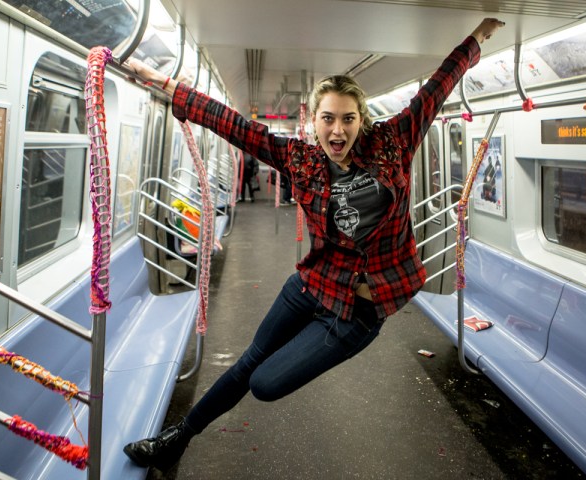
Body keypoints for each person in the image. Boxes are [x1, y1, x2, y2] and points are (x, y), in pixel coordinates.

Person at [122, 17, 505, 471]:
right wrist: (169, 87)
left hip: (357, 313)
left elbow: (439, 85)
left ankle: (186, 433)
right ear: (315, 120)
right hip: (312, 283)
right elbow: (240, 129)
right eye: (328, 119)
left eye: (347, 118)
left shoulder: (395, 140)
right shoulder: (299, 158)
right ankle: (178, 439)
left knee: (264, 382)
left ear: (362, 120)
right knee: (248, 363)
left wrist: (476, 38)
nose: (337, 131)